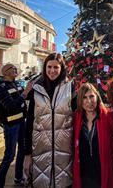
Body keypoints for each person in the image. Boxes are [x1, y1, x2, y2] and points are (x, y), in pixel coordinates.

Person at [24, 52, 75, 188]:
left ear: (62, 68)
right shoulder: (36, 89)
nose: (52, 71)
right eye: (49, 67)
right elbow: (29, 123)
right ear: (45, 68)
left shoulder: (70, 88)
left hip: (65, 153)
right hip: (40, 151)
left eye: (56, 67)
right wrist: (27, 154)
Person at [0, 63, 30, 188]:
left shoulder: (16, 83)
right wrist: (25, 93)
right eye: (12, 68)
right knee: (9, 155)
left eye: (15, 68)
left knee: (22, 150)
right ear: (5, 72)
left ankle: (18, 178)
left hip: (21, 122)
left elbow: (24, 99)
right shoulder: (0, 87)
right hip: (11, 125)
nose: (15, 70)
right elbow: (10, 106)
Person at [73, 83, 113, 188]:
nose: (89, 101)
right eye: (84, 98)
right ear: (80, 101)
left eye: (92, 96)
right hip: (83, 174)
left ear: (97, 97)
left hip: (103, 173)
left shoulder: (109, 117)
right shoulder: (76, 119)